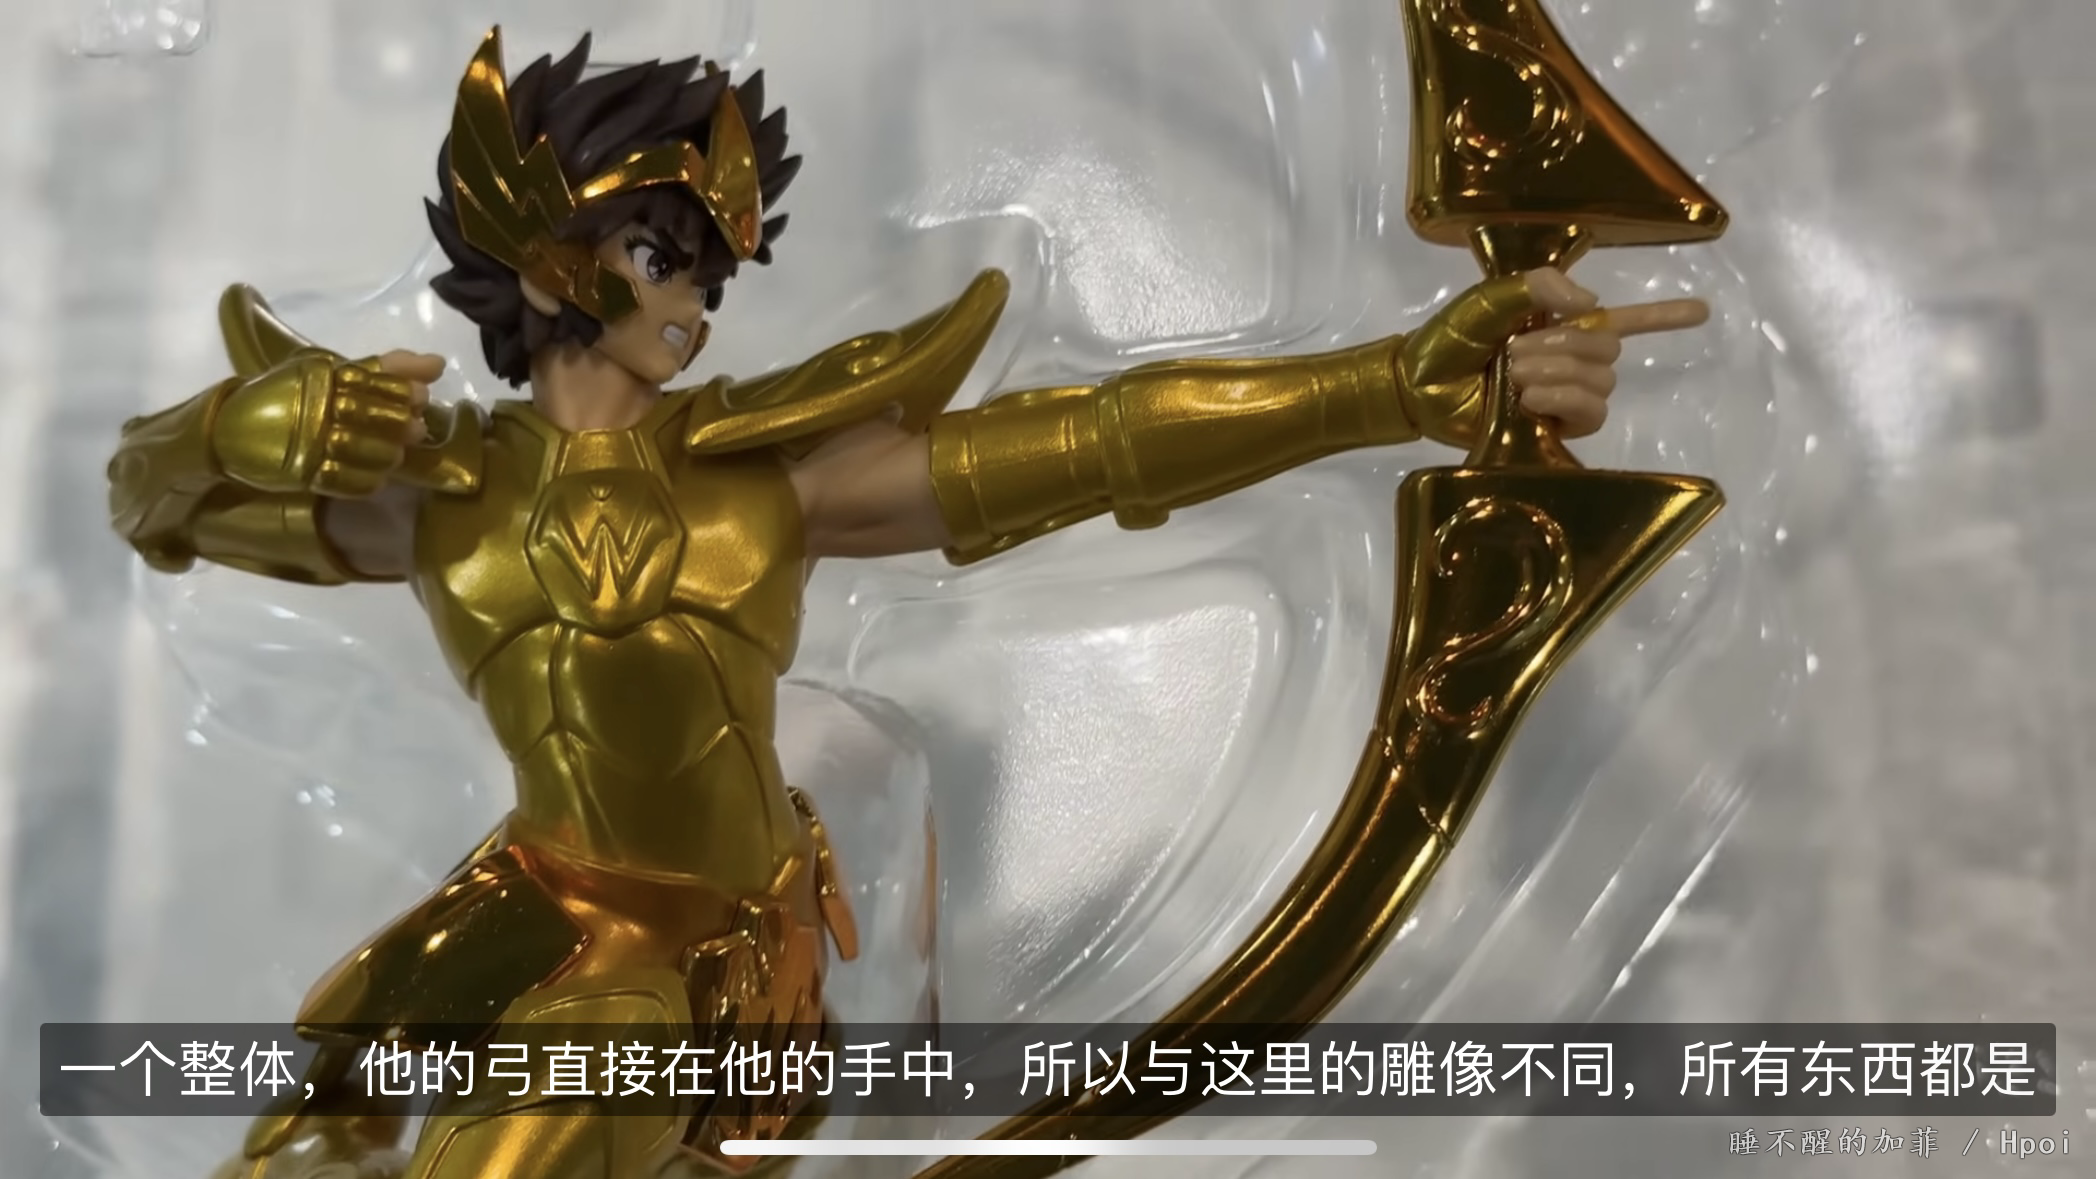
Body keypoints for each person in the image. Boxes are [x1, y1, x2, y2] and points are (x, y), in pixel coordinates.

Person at [106, 26, 1710, 1179]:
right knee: (306, 1124)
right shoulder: (437, 495)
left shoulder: (755, 484)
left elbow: (1093, 444)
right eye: (665, 251)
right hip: (529, 897)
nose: (696, 298)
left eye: (711, 265)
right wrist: (226, 432)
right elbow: (154, 511)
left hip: (714, 956)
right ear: (547, 252)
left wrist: (1394, 383)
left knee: (531, 1127)